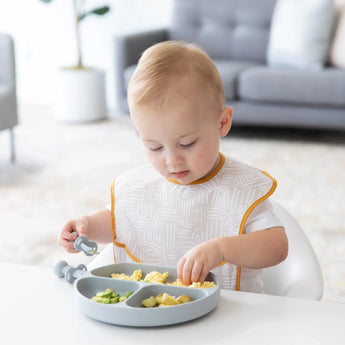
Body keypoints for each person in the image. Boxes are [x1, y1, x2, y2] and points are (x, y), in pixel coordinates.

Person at [59, 41, 288, 292]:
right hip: (155, 314)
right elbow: (121, 221)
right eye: (155, 147)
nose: (172, 160)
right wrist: (87, 226)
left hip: (232, 315)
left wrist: (222, 249)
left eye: (187, 143)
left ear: (222, 123)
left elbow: (277, 246)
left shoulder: (240, 187)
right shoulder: (141, 184)